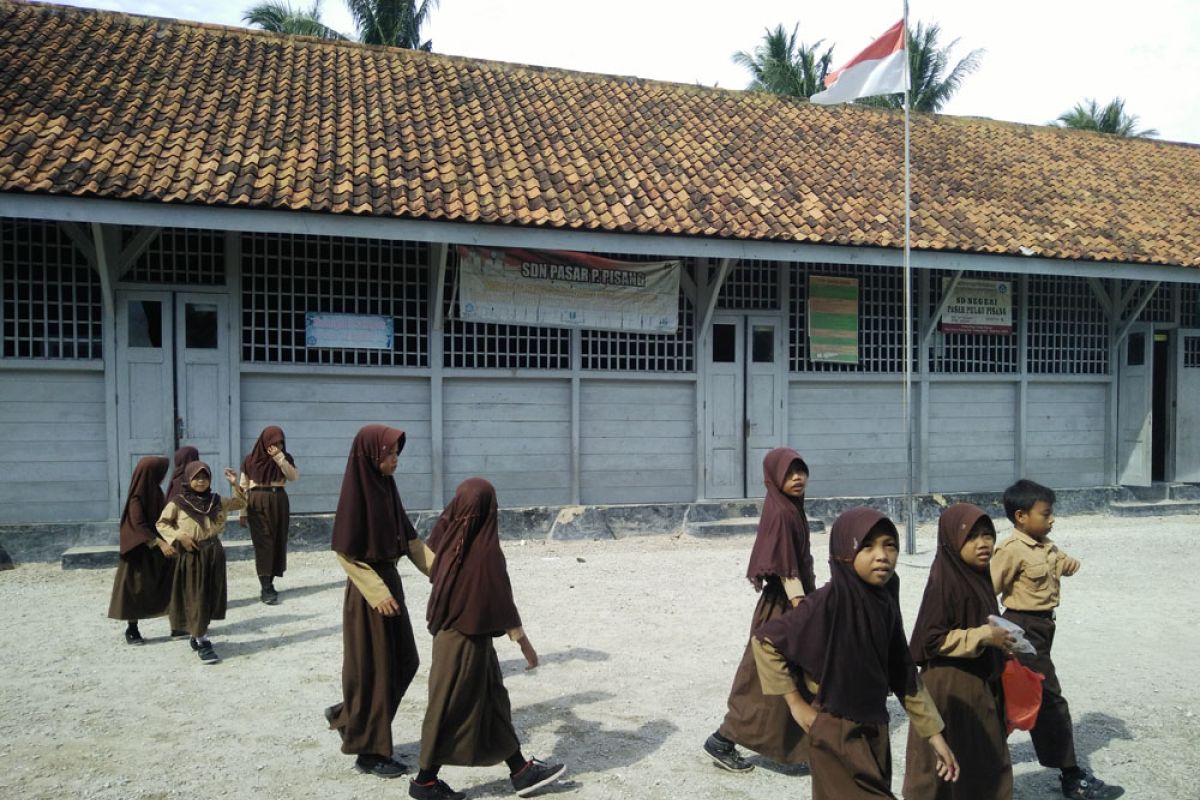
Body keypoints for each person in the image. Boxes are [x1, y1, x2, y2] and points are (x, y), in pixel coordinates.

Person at [752, 507, 959, 799]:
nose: (882, 556)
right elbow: (765, 642)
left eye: (890, 545)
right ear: (844, 553)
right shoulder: (829, 601)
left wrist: (935, 736)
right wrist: (797, 704)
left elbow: (903, 673)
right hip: (836, 732)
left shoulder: (883, 600)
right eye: (867, 546)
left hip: (875, 730)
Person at [409, 478, 566, 800]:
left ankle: (521, 770)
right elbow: (497, 596)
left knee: (493, 700)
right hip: (461, 641)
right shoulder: (483, 551)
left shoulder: (450, 542)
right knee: (448, 706)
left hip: (466, 636)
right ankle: (424, 781)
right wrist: (522, 641)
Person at [992, 480, 1123, 800]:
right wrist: (994, 633)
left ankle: (984, 758)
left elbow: (1058, 564)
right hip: (1022, 628)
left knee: (1014, 694)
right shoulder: (1011, 550)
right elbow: (987, 589)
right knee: (1049, 697)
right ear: (1021, 516)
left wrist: (1069, 564)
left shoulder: (1046, 545)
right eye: (1046, 513)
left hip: (1044, 628)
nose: (1052, 519)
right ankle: (1071, 776)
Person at [325, 425, 436, 779]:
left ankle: (349, 717)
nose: (394, 461)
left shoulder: (387, 489)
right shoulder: (356, 495)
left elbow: (411, 542)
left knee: (405, 661)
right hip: (368, 594)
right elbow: (346, 552)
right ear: (372, 456)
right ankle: (369, 753)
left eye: (396, 455)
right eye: (389, 455)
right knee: (374, 670)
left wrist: (443, 574)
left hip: (390, 584)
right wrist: (376, 592)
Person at [703, 448, 814, 773]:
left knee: (784, 675)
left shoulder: (789, 508)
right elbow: (785, 567)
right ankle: (723, 739)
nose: (797, 478)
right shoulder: (781, 513)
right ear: (775, 477)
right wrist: (801, 606)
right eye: (790, 473)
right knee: (766, 678)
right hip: (782, 607)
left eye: (801, 471)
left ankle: (793, 745)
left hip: (786, 604)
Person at [903, 503, 1014, 800]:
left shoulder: (978, 577)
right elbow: (931, 639)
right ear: (953, 539)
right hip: (949, 686)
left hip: (976, 683)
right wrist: (982, 636)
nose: (983, 544)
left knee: (981, 757)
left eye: (988, 535)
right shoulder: (945, 582)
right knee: (945, 764)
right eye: (972, 537)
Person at [156, 461, 246, 664]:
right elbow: (162, 523)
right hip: (191, 553)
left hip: (213, 552)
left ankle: (196, 633)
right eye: (196, 477)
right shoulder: (178, 502)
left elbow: (242, 503)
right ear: (188, 479)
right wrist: (179, 536)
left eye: (205, 477)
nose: (201, 482)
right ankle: (203, 641)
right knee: (196, 594)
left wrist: (234, 484)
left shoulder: (216, 501)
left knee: (209, 594)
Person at [107, 455, 175, 644]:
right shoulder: (137, 496)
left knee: (168, 583)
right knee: (135, 589)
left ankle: (177, 624)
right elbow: (138, 524)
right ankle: (132, 629)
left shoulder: (156, 491)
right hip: (139, 550)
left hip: (156, 547)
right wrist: (160, 543)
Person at [239, 425, 299, 605]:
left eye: (280, 443)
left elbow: (293, 476)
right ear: (264, 442)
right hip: (257, 500)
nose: (277, 446)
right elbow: (243, 486)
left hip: (279, 500)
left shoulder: (284, 458)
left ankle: (271, 581)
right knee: (263, 542)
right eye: (273, 443)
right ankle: (265, 587)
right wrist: (242, 512)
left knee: (278, 540)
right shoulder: (250, 460)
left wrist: (280, 459)